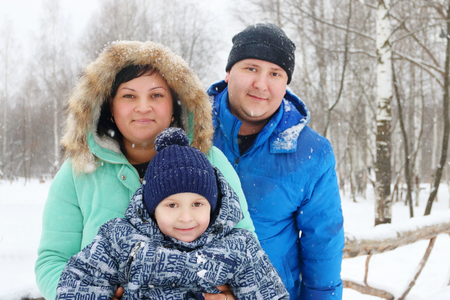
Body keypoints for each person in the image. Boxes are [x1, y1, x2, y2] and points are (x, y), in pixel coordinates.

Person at [35, 41, 255, 300]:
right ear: (110, 106)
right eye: (129, 96)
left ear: (175, 106)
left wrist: (231, 296)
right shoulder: (80, 169)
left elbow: (247, 252)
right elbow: (52, 261)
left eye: (156, 95)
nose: (143, 107)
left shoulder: (211, 162)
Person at [55, 127, 288, 300]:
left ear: (213, 206)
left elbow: (269, 293)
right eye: (172, 205)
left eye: (197, 204)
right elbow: (78, 282)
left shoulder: (238, 247)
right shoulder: (120, 240)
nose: (186, 218)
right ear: (152, 208)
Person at [207, 23, 345, 299]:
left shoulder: (313, 153)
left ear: (285, 83)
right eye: (251, 68)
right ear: (229, 72)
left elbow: (323, 241)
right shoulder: (188, 130)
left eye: (275, 73)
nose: (261, 84)